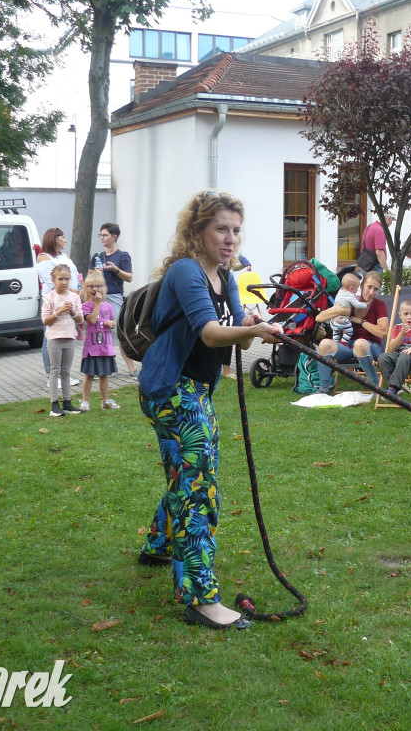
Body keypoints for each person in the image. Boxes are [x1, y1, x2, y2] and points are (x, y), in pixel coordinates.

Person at [137, 189, 282, 630]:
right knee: (198, 485)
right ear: (197, 231)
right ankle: (200, 598)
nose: (230, 238)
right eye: (221, 228)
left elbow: (236, 324)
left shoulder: (225, 276)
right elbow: (209, 333)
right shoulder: (186, 271)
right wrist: (251, 334)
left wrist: (258, 325)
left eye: (236, 230)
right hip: (171, 390)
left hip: (195, 390)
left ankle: (159, 545)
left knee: (188, 472)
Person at [314, 270, 389, 393]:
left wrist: (360, 321)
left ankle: (376, 388)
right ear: (362, 285)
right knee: (324, 344)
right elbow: (319, 318)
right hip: (348, 346)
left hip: (371, 347)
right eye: (369, 287)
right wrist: (338, 311)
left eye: (375, 289)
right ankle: (323, 389)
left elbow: (383, 332)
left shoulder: (379, 305)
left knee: (360, 343)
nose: (371, 292)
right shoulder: (349, 300)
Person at [89, 223, 136, 377]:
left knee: (118, 331)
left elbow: (129, 277)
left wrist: (115, 269)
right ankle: (101, 369)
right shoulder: (97, 256)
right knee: (99, 332)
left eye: (105, 235)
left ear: (114, 237)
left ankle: (132, 369)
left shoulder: (122, 256)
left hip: (114, 297)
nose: (102, 238)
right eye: (100, 235)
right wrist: (95, 273)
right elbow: (89, 278)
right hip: (98, 298)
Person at [37, 228, 81, 383]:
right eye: (62, 237)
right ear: (53, 239)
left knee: (66, 335)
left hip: (71, 299)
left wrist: (79, 290)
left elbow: (73, 275)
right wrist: (73, 290)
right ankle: (52, 374)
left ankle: (64, 374)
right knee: (51, 337)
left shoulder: (64, 257)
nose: (65, 240)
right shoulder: (44, 258)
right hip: (55, 301)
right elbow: (51, 282)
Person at [41, 264, 84, 417]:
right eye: (60, 279)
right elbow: (46, 320)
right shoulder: (49, 297)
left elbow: (80, 319)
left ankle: (67, 402)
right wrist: (59, 311)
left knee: (66, 372)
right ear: (53, 280)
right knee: (55, 371)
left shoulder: (74, 297)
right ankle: (54, 405)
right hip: (54, 339)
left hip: (69, 337)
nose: (64, 282)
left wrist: (72, 311)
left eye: (66, 279)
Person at [79, 269, 120, 412]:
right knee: (89, 375)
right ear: (86, 288)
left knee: (104, 375)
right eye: (91, 286)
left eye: (98, 286)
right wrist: (97, 303)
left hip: (105, 347)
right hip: (92, 348)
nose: (95, 289)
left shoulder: (108, 306)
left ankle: (106, 400)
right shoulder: (85, 306)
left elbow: (112, 321)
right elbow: (91, 320)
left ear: (104, 287)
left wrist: (111, 324)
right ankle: (85, 401)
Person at [220, 254, 252, 380]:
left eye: (236, 232)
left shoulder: (228, 277)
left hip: (206, 377)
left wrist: (251, 327)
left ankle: (226, 370)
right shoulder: (190, 273)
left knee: (229, 330)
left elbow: (239, 321)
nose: (230, 239)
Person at [331, 272, 370, 346]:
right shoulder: (349, 295)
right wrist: (365, 305)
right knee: (349, 331)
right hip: (343, 319)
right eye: (357, 288)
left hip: (334, 319)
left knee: (336, 332)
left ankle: (335, 343)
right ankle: (343, 343)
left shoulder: (341, 291)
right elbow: (357, 305)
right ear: (351, 289)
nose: (357, 290)